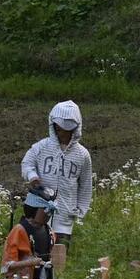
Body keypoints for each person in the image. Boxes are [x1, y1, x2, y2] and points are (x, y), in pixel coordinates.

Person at [21, 100, 92, 250]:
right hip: (38, 211)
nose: (62, 133)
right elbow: (27, 163)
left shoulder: (82, 155)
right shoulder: (41, 147)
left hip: (65, 215)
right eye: (59, 129)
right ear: (53, 126)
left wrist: (80, 210)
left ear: (75, 129)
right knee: (36, 251)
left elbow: (85, 185)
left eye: (67, 130)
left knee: (60, 253)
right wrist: (33, 177)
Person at [1, 185, 57, 279]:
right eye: (45, 210)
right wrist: (31, 262)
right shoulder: (19, 230)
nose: (48, 215)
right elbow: (6, 265)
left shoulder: (48, 230)